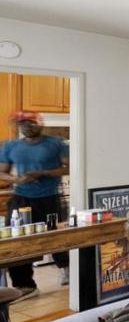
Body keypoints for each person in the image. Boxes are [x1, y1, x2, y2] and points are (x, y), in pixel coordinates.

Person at [0, 111, 70, 297]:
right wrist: (16, 179)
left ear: (40, 124)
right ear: (18, 126)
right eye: (22, 124)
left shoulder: (55, 143)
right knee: (18, 240)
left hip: (50, 198)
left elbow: (69, 167)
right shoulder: (11, 146)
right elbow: (2, 172)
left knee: (56, 237)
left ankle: (67, 269)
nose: (27, 127)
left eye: (31, 123)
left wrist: (43, 173)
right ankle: (25, 285)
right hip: (21, 198)